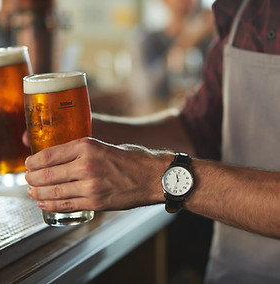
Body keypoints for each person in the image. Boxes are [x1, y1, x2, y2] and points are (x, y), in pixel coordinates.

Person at [23, 0, 280, 283]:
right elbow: (199, 130)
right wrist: (70, 131)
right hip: (232, 270)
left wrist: (156, 176)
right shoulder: (238, 9)